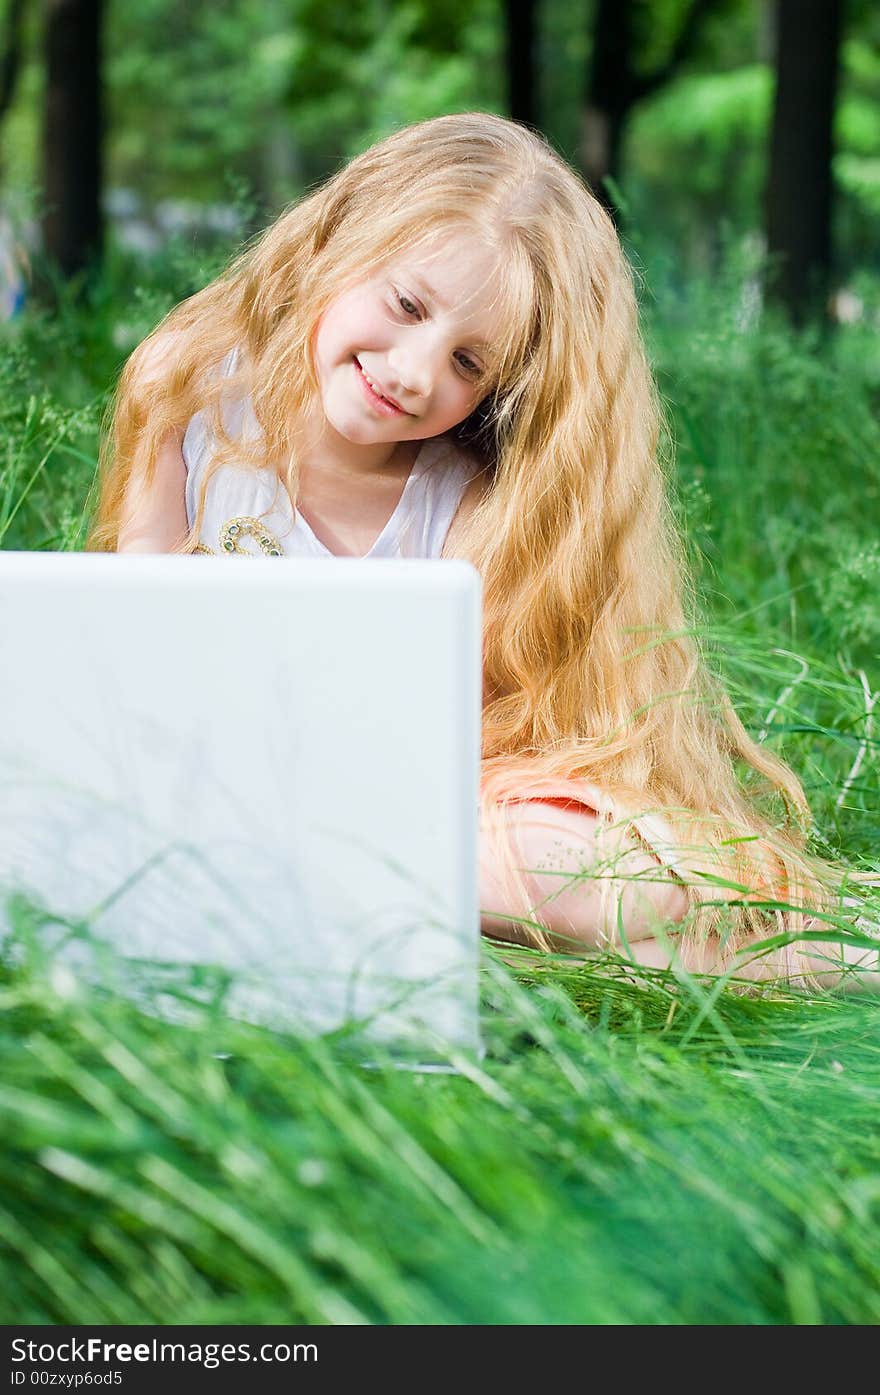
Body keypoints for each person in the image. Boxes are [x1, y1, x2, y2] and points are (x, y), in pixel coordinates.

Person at [87, 112, 878, 993]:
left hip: (401, 815)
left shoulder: (466, 502)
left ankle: (827, 946)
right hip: (202, 788)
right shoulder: (191, 400)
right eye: (407, 305)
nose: (416, 372)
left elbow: (469, 748)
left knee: (591, 875)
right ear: (337, 246)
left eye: (469, 362)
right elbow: (130, 632)